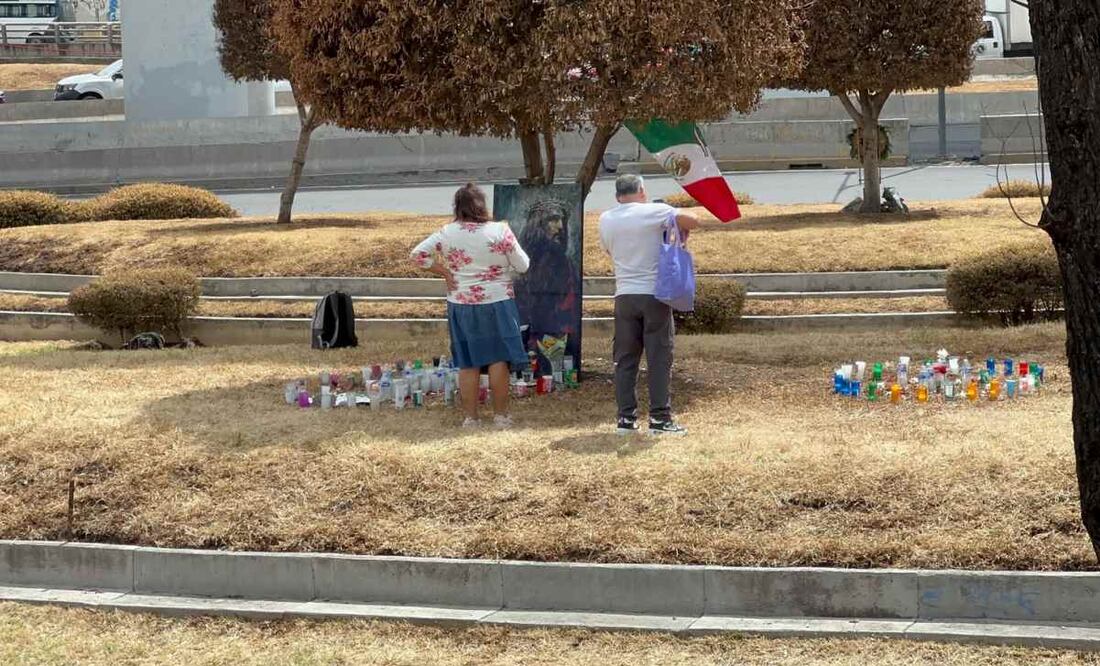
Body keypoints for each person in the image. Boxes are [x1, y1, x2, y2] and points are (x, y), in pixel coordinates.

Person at [410, 184, 530, 429]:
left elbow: (417, 255)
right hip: (498, 300)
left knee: (468, 361)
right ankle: (500, 416)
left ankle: (471, 418)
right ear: (482, 206)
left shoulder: (447, 232)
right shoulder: (500, 230)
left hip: (461, 302)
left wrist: (443, 270)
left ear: (458, 207)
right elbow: (523, 265)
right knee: (499, 359)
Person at [598, 174, 701, 436]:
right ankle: (659, 419)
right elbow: (694, 221)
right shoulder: (656, 211)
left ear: (617, 194)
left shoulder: (606, 218)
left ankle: (625, 420)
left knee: (625, 360)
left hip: (624, 295)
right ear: (642, 191)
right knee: (659, 357)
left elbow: (609, 251)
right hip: (655, 293)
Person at [515, 199, 579, 374]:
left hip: (554, 335)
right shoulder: (520, 257)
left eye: (562, 221)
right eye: (553, 219)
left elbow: (568, 305)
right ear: (538, 223)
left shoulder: (562, 261)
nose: (560, 227)